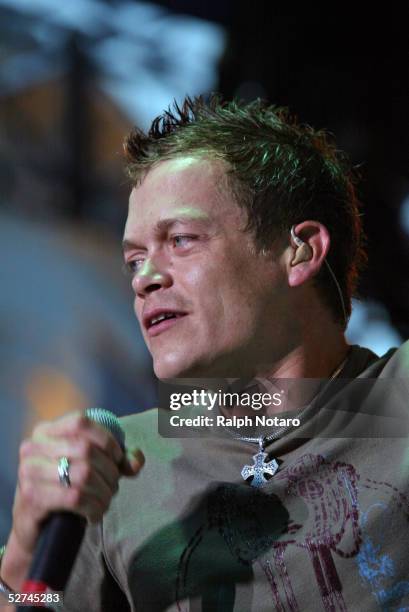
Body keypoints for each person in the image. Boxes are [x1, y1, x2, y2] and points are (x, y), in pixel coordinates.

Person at [0, 95, 408, 611]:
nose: (146, 279)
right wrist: (21, 560)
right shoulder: (117, 467)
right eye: (134, 260)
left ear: (299, 252)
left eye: (182, 239)